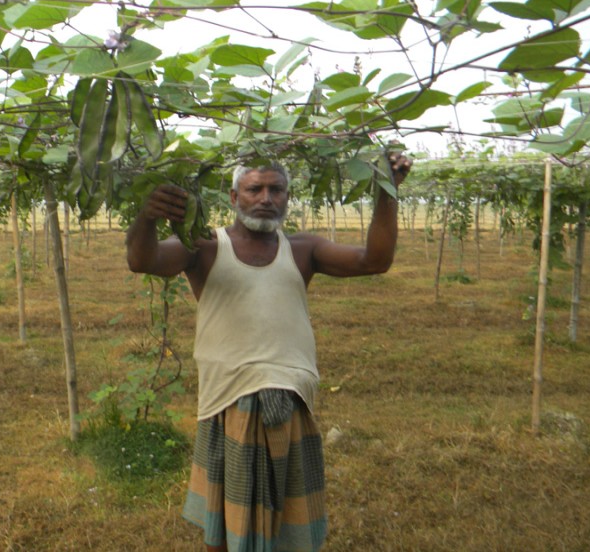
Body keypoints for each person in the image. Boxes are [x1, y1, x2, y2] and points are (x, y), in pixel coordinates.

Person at [125, 153, 412, 552]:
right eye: (254, 189)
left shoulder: (302, 249)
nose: (266, 198)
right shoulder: (205, 246)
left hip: (291, 400)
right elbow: (144, 260)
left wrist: (387, 191)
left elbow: (375, 261)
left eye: (276, 189)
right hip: (229, 400)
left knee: (290, 523)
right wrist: (148, 217)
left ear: (288, 197)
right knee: (226, 527)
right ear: (233, 196)